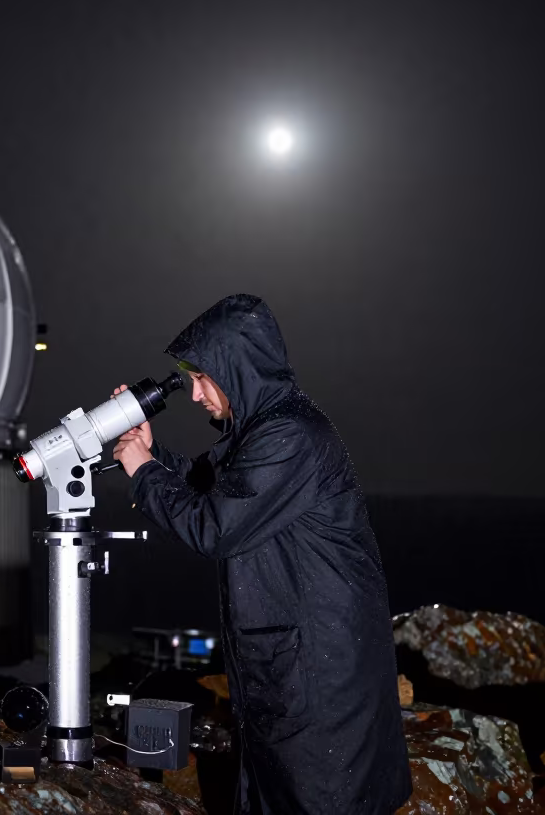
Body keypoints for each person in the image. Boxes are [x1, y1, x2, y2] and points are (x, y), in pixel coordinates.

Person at [112, 294, 411, 814]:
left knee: (317, 798)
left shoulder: (290, 437)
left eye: (203, 379)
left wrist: (142, 473)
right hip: (295, 665)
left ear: (237, 369)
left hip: (320, 678)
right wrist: (150, 452)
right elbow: (208, 486)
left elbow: (214, 527)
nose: (196, 395)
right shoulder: (266, 430)